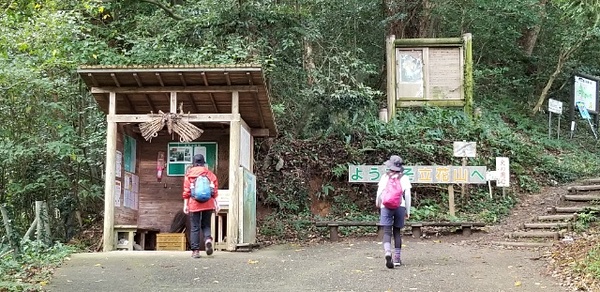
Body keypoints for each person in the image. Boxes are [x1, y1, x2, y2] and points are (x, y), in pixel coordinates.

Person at [375, 155, 412, 268]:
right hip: (400, 206)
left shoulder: (384, 177)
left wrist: (378, 203)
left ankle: (387, 252)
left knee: (386, 232)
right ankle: (397, 258)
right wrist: (408, 210)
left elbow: (379, 193)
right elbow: (407, 195)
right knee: (396, 232)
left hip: (385, 206)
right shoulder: (404, 178)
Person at [182, 154, 219, 258]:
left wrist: (185, 205)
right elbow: (214, 190)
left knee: (194, 227)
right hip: (208, 203)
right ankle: (207, 239)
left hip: (194, 204)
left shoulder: (189, 174)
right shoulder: (210, 174)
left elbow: (187, 191)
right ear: (203, 163)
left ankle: (196, 251)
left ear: (193, 163)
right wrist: (217, 204)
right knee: (206, 224)